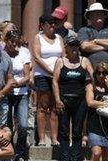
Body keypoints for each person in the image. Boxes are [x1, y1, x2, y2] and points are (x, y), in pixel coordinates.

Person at [52, 36, 93, 161]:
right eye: (71, 45)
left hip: (80, 100)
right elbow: (55, 81)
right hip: (64, 99)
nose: (74, 48)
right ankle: (64, 159)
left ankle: (76, 159)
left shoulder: (84, 61)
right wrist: (57, 100)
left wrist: (91, 93)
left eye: (76, 45)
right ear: (66, 48)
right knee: (63, 130)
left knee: (77, 130)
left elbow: (94, 78)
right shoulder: (60, 61)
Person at [32, 14, 64, 146]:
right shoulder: (38, 37)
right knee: (43, 106)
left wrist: (59, 71)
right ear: (42, 25)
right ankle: (41, 139)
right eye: (49, 23)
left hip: (58, 75)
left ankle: (54, 138)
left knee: (55, 106)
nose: (52, 26)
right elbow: (37, 57)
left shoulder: (59, 38)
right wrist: (51, 71)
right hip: (43, 75)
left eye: (54, 23)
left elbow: (63, 55)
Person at [3, 30, 31, 161]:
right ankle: (9, 154)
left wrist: (17, 83)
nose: (14, 45)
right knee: (7, 126)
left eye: (16, 42)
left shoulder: (24, 52)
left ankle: (20, 156)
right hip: (5, 93)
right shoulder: (1, 52)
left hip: (21, 92)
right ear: (6, 41)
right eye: (11, 42)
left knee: (23, 125)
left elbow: (27, 76)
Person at [78, 2, 108, 67]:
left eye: (101, 13)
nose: (99, 15)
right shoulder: (83, 30)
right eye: (96, 13)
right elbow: (85, 46)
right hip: (90, 71)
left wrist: (96, 41)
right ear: (90, 16)